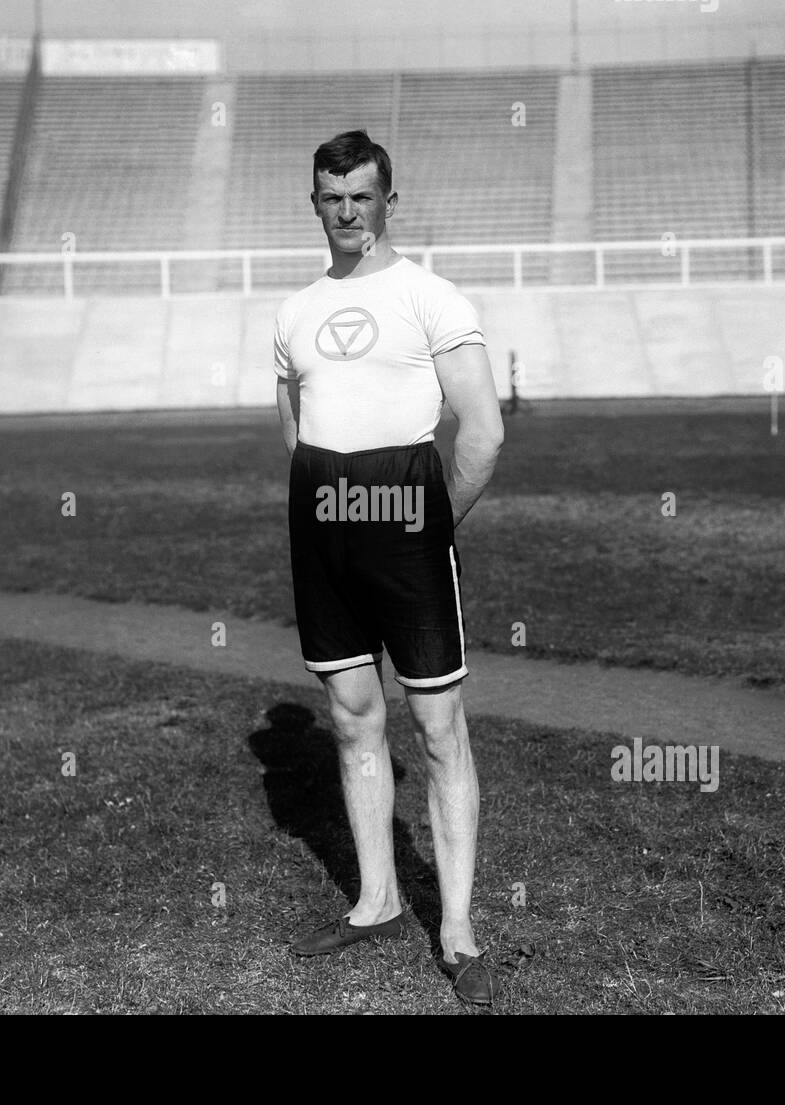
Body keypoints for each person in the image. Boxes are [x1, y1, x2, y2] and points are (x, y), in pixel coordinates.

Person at [273, 130, 505, 1005]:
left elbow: (482, 432)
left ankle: (457, 929)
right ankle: (374, 902)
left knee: (439, 728)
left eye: (362, 197)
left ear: (388, 202)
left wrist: (428, 526)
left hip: (407, 522)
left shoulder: (431, 298)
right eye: (332, 197)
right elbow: (294, 427)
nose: (346, 212)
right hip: (323, 526)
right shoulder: (293, 312)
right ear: (315, 203)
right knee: (350, 713)